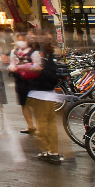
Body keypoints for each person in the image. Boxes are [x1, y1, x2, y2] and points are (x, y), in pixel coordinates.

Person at [11, 34, 65, 163]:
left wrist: (27, 69)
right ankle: (51, 151)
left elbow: (42, 71)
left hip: (39, 92)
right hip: (47, 92)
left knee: (44, 123)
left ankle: (49, 152)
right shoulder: (46, 54)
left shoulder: (39, 55)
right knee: (49, 123)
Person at [9, 32, 38, 134]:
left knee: (35, 104)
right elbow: (12, 63)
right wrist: (12, 67)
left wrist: (27, 67)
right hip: (20, 80)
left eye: (23, 39)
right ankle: (30, 126)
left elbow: (38, 66)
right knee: (23, 104)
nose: (20, 42)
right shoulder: (14, 51)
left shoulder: (34, 52)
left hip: (33, 80)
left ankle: (39, 126)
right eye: (18, 39)